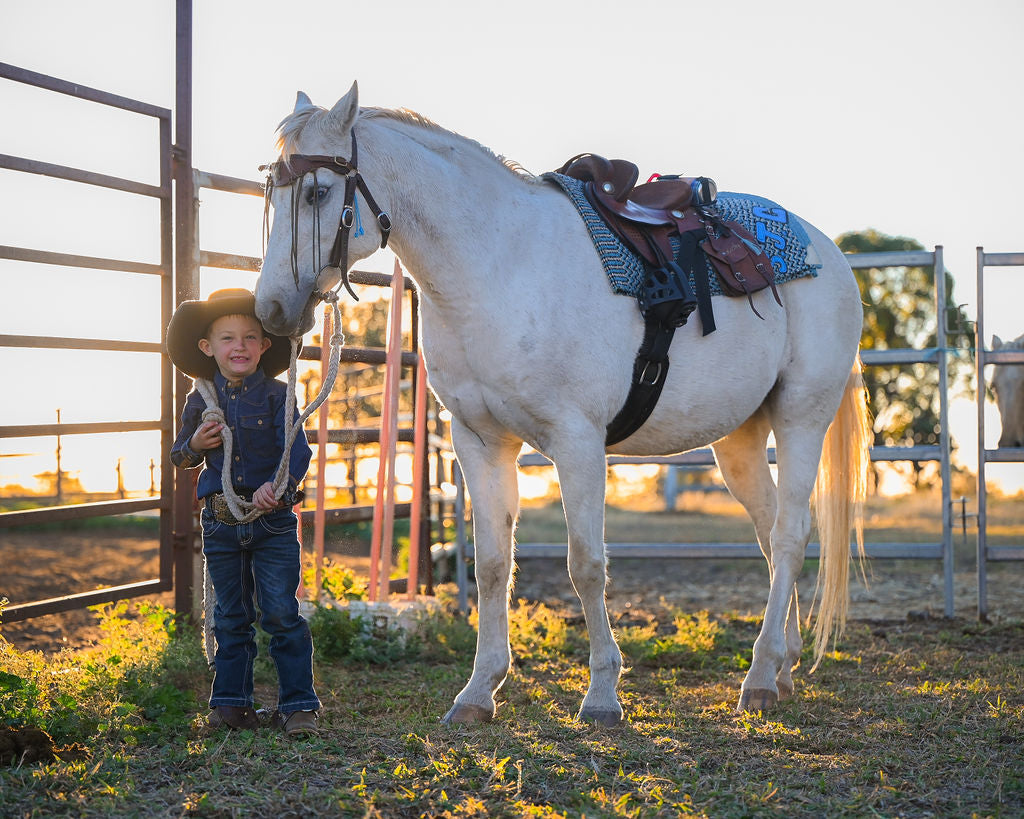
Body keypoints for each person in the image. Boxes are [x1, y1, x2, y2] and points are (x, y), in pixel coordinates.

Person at [166, 288, 320, 737]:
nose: (240, 346)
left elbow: (297, 452)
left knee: (281, 613)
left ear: (265, 345)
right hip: (220, 522)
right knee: (230, 617)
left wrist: (279, 486)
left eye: (250, 337)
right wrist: (196, 443)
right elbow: (180, 455)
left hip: (272, 522)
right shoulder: (200, 400)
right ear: (207, 346)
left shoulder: (279, 396)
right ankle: (232, 706)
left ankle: (298, 706)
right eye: (228, 338)